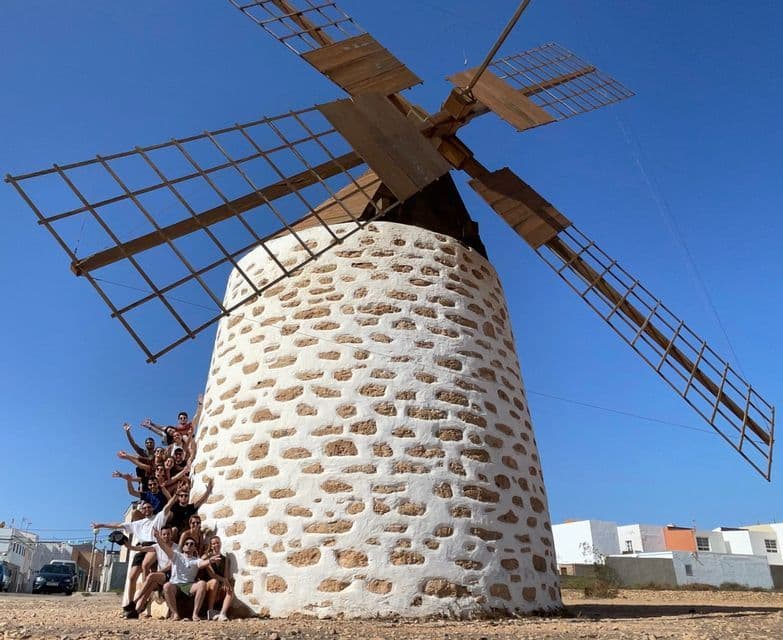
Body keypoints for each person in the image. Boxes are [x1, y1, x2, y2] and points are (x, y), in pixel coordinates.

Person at [91, 495, 176, 607]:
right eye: (144, 508)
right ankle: (130, 604)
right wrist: (101, 525)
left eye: (149, 507)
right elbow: (118, 525)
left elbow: (168, 506)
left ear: (153, 508)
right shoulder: (137, 524)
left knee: (146, 565)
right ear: (141, 510)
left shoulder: (158, 518)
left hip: (154, 546)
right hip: (141, 547)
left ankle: (144, 595)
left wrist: (175, 495)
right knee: (132, 576)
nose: (147, 509)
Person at [155, 528, 212, 621]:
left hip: (189, 585)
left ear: (194, 548)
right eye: (187, 544)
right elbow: (165, 548)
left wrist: (210, 560)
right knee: (167, 586)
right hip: (176, 584)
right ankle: (175, 614)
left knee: (202, 584)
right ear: (183, 547)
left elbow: (202, 564)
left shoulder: (196, 559)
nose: (189, 545)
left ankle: (195, 614)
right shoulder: (176, 555)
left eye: (192, 544)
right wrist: (158, 537)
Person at [123, 525, 177, 619]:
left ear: (171, 535)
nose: (166, 536)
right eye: (164, 534)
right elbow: (141, 549)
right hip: (161, 577)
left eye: (168, 534)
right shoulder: (157, 546)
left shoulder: (176, 548)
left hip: (172, 576)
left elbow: (171, 566)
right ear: (160, 535)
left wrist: (159, 572)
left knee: (151, 576)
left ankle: (134, 601)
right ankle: (136, 610)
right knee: (150, 585)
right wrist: (129, 546)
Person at [202, 536, 233, 621]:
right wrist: (223, 580)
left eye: (218, 542)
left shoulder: (225, 559)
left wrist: (225, 582)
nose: (216, 545)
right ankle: (210, 611)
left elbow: (226, 575)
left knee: (230, 589)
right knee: (214, 581)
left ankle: (222, 613)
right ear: (211, 546)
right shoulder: (207, 557)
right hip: (209, 584)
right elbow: (212, 574)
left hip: (220, 584)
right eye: (214, 543)